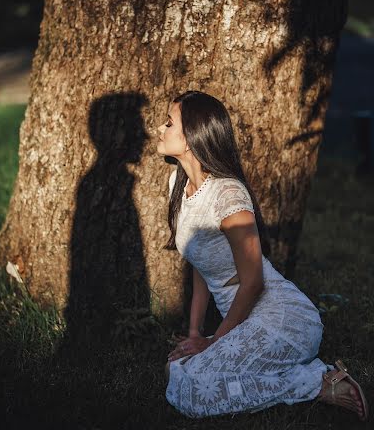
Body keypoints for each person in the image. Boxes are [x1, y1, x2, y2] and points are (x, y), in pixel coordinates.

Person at [156, 90, 369, 421]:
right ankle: (294, 372)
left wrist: (213, 344)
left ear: (192, 138)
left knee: (194, 389)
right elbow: (201, 263)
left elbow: (253, 282)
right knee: (174, 371)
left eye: (169, 123)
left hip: (283, 319)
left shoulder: (228, 195)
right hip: (243, 323)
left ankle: (317, 381)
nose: (160, 128)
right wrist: (196, 333)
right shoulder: (177, 185)